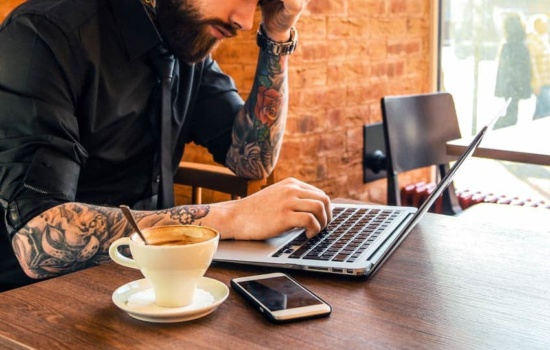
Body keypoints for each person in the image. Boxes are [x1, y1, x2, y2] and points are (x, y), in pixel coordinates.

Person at [0, 0, 332, 292]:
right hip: (35, 301)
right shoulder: (43, 33)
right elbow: (37, 238)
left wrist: (276, 35)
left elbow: (252, 161)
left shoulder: (184, 43)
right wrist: (233, 216)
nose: (245, 20)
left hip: (153, 281)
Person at [494, 13, 531, 129]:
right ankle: (493, 131)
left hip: (510, 85)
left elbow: (503, 69)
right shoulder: (519, 44)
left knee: (512, 114)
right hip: (514, 85)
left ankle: (495, 130)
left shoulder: (508, 44)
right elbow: (521, 68)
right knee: (512, 116)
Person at [526, 14, 550, 119]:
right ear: (536, 26)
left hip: (547, 81)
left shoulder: (544, 41)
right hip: (540, 82)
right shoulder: (532, 41)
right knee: (547, 108)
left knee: (541, 110)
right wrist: (536, 82)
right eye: (543, 25)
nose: (546, 27)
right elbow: (532, 64)